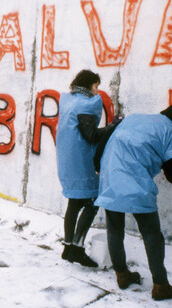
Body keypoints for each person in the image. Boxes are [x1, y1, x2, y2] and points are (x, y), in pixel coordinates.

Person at [95, 104, 172, 301]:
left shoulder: (134, 117)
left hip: (111, 176)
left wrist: (97, 164)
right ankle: (160, 285)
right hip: (137, 183)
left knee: (114, 229)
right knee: (151, 234)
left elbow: (106, 137)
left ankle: (122, 275)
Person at [56, 69, 118, 268]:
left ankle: (67, 248)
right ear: (89, 85)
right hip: (81, 162)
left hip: (67, 160)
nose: (97, 91)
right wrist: (114, 125)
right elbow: (91, 135)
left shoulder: (69, 101)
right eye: (96, 86)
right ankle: (77, 248)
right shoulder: (86, 104)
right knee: (92, 202)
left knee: (74, 203)